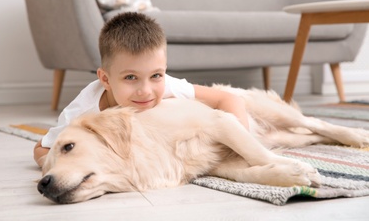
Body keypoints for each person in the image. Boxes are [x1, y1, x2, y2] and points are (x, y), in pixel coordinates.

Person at [34, 12, 249, 167]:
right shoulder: (83, 112)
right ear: (105, 79)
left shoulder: (166, 86)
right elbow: (41, 148)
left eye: (156, 75)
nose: (145, 91)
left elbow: (228, 100)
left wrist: (244, 147)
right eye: (130, 77)